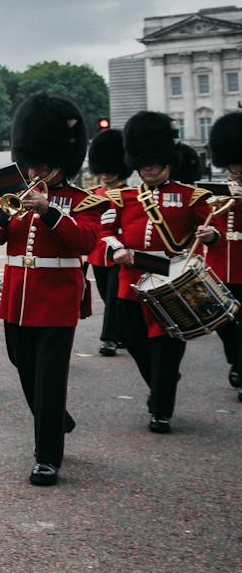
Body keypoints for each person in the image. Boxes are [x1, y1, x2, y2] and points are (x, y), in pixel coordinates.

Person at [0, 93, 103, 486]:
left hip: (57, 301)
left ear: (61, 163)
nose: (35, 171)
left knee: (49, 379)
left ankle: (47, 457)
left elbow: (85, 243)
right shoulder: (15, 196)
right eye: (31, 164)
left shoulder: (81, 201)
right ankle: (57, 418)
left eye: (43, 165)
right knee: (23, 366)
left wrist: (48, 211)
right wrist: (1, 211)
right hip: (17, 299)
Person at [104, 111, 219, 434]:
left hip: (171, 284)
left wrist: (211, 236)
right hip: (132, 283)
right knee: (135, 342)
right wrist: (117, 249)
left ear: (167, 163)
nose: (149, 168)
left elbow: (212, 226)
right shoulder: (123, 198)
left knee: (166, 350)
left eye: (154, 163)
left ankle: (161, 409)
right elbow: (105, 231)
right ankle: (160, 383)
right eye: (144, 163)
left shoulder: (189, 197)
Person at [84, 130, 130, 357]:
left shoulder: (130, 195)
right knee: (106, 295)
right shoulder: (93, 194)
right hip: (96, 253)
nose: (104, 174)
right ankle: (121, 333)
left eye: (108, 169)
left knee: (113, 297)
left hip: (118, 253)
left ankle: (109, 338)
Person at [208, 114, 242, 400]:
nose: (236, 169)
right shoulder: (219, 190)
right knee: (223, 321)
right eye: (232, 164)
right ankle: (236, 359)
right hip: (220, 267)